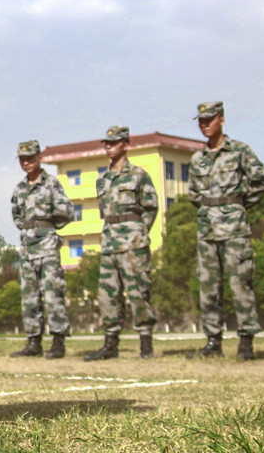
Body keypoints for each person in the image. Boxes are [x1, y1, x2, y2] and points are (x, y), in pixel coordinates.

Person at [188, 102, 264, 360]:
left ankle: (246, 341)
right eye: (201, 121)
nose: (204, 124)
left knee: (240, 284)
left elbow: (261, 182)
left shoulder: (240, 151)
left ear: (221, 120)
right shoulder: (197, 158)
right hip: (207, 230)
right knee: (208, 287)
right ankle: (213, 341)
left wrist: (239, 206)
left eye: (209, 119)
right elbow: (193, 194)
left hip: (234, 230)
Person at [82, 127, 159, 361]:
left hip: (133, 244)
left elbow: (151, 207)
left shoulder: (138, 174)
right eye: (106, 143)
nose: (108, 147)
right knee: (107, 295)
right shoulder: (102, 180)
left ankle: (146, 342)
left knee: (138, 292)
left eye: (113, 143)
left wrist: (138, 231)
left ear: (126, 144)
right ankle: (110, 344)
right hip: (108, 244)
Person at [10, 140, 74, 359]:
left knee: (52, 293)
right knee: (29, 296)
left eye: (30, 158)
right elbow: (17, 217)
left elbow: (66, 211)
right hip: (27, 247)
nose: (26, 163)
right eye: (22, 159)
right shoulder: (19, 189)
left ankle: (58, 341)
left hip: (47, 246)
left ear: (39, 158)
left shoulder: (51, 184)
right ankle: (33, 342)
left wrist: (45, 225)